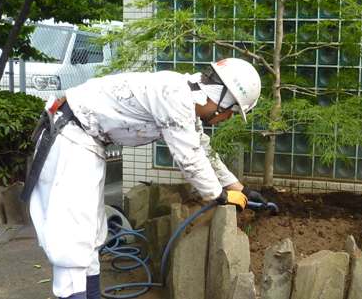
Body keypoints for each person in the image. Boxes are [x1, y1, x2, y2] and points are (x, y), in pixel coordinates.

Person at [26, 58, 268, 299]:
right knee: (73, 244)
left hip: (85, 143)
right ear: (222, 98)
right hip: (71, 142)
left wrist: (241, 189)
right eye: (232, 112)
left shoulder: (182, 96)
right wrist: (220, 196)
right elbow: (190, 159)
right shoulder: (175, 96)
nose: (227, 118)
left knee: (89, 241)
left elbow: (203, 150)